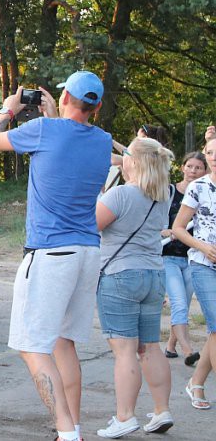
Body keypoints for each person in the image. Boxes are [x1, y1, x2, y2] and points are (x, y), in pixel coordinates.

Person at [0, 71, 112, 441]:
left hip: (51, 252)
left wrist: (7, 110)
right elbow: (70, 142)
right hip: (87, 250)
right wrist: (54, 115)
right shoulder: (103, 141)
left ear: (65, 95)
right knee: (63, 343)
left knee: (32, 347)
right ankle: (73, 426)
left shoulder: (44, 131)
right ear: (97, 106)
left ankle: (67, 433)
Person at [94, 137, 175, 437]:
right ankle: (161, 410)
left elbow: (93, 225)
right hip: (154, 275)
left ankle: (125, 416)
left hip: (120, 275)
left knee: (125, 351)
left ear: (133, 162)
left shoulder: (120, 196)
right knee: (150, 347)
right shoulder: (163, 193)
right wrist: (124, 150)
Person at [172, 136, 216, 415]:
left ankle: (196, 382)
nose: (213, 156)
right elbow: (178, 228)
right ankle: (197, 384)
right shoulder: (199, 187)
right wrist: (204, 247)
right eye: (210, 152)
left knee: (214, 332)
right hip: (202, 264)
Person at [162, 151, 206, 364]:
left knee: (184, 304)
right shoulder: (169, 191)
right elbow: (153, 217)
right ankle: (189, 352)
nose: (193, 171)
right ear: (182, 167)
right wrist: (163, 231)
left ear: (204, 171)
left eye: (198, 167)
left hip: (191, 257)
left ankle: (171, 346)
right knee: (178, 302)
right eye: (190, 166)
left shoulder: (204, 194)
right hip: (168, 256)